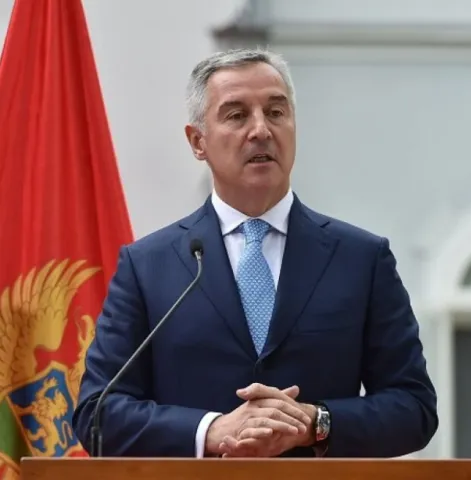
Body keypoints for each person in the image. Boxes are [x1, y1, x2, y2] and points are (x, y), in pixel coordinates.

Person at [72, 48, 438, 458]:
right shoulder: (148, 266)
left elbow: (414, 407)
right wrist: (210, 430)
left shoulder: (361, 259)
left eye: (276, 112)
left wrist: (314, 422)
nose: (261, 129)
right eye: (237, 115)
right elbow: (97, 414)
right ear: (198, 141)